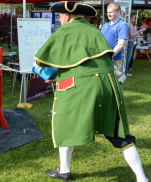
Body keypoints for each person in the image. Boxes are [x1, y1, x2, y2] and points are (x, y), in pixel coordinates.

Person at [34, 2, 149, 182]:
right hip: (109, 84)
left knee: (65, 123)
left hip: (79, 86)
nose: (59, 19)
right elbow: (87, 60)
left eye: (60, 15)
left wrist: (42, 71)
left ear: (68, 15)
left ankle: (65, 170)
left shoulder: (65, 31)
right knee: (119, 133)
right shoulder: (95, 30)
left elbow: (41, 64)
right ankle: (141, 178)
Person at [101, 2, 129, 82]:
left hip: (115, 59)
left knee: (114, 81)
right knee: (104, 81)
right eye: (107, 12)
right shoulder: (105, 25)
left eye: (111, 12)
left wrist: (110, 56)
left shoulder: (122, 25)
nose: (108, 14)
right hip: (104, 58)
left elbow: (121, 44)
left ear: (118, 12)